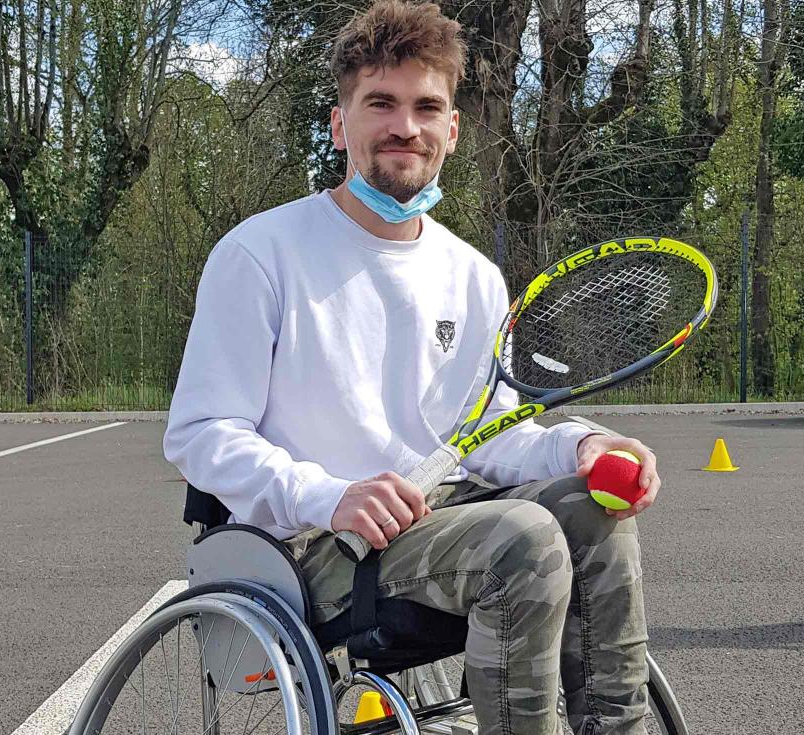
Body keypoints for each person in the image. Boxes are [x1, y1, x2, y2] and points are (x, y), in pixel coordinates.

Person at [163, 2, 664, 732]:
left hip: (440, 521)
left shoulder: (473, 275)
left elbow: (486, 434)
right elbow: (201, 433)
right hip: (315, 548)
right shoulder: (260, 254)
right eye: (381, 103)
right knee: (522, 541)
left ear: (452, 130)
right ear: (342, 123)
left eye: (428, 106)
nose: (406, 126)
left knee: (595, 511)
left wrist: (582, 444)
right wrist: (330, 495)